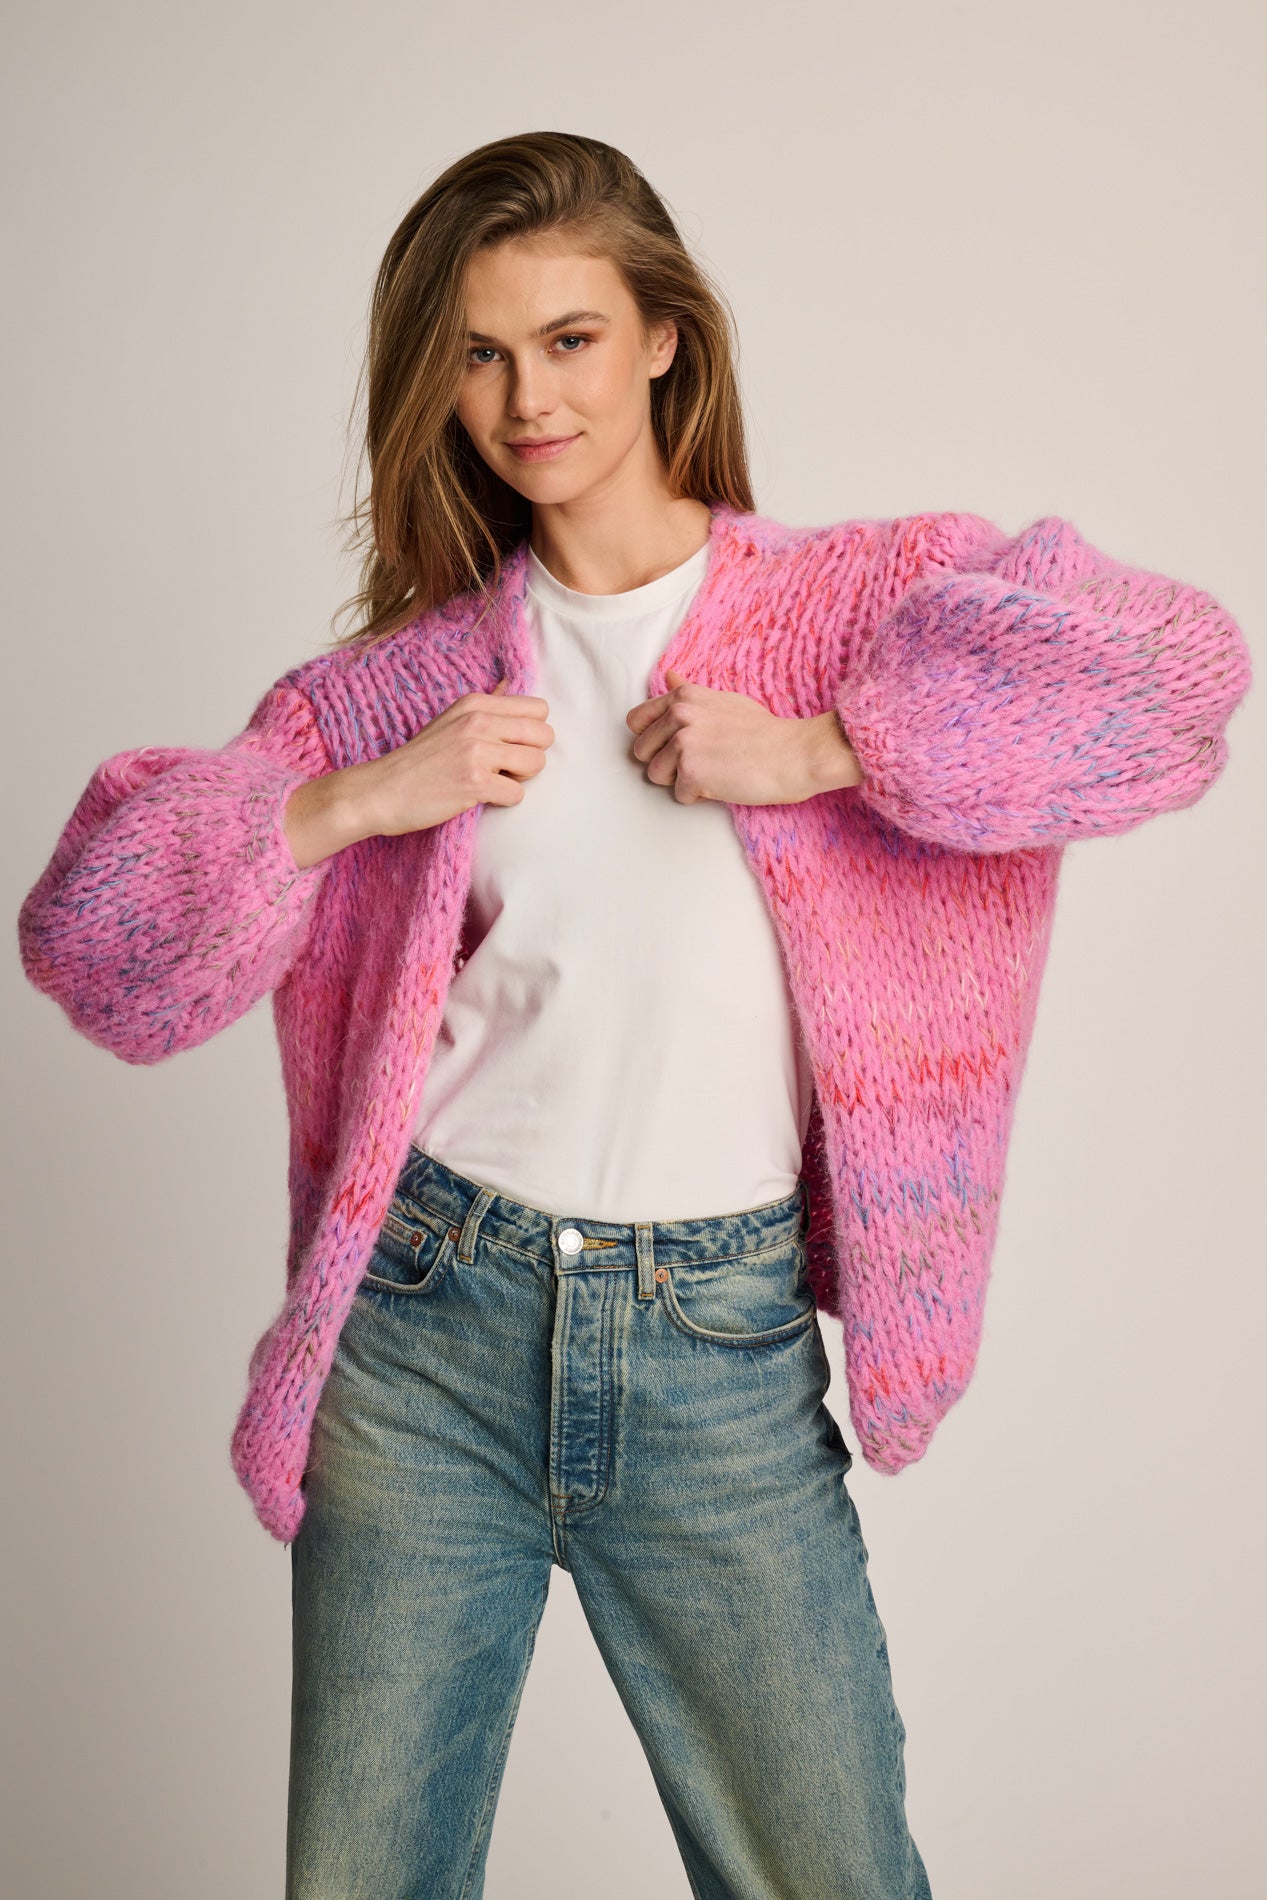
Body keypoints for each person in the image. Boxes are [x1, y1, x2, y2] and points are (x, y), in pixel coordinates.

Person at [17, 131, 1252, 1900]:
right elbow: (93, 952)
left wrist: (829, 750)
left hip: (715, 1355)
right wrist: (355, 799)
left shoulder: (855, 610)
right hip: (425, 1341)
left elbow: (1180, 683)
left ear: (666, 338)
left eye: (572, 339)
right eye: (480, 352)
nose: (529, 398)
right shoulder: (393, 693)